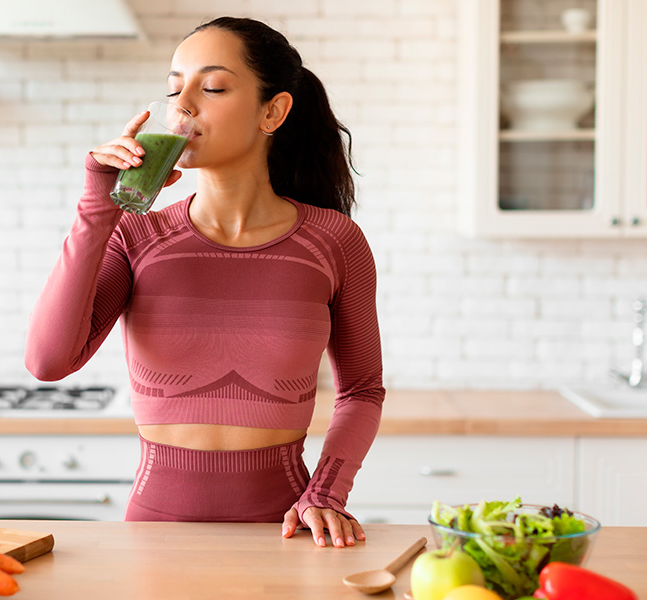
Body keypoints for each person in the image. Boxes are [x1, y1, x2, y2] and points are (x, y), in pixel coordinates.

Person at [25, 16, 384, 549]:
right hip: (153, 539)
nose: (183, 104)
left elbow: (360, 390)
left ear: (273, 111)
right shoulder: (137, 235)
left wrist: (326, 492)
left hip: (285, 535)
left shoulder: (334, 241)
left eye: (211, 87)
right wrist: (100, 202)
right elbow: (48, 362)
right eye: (175, 88)